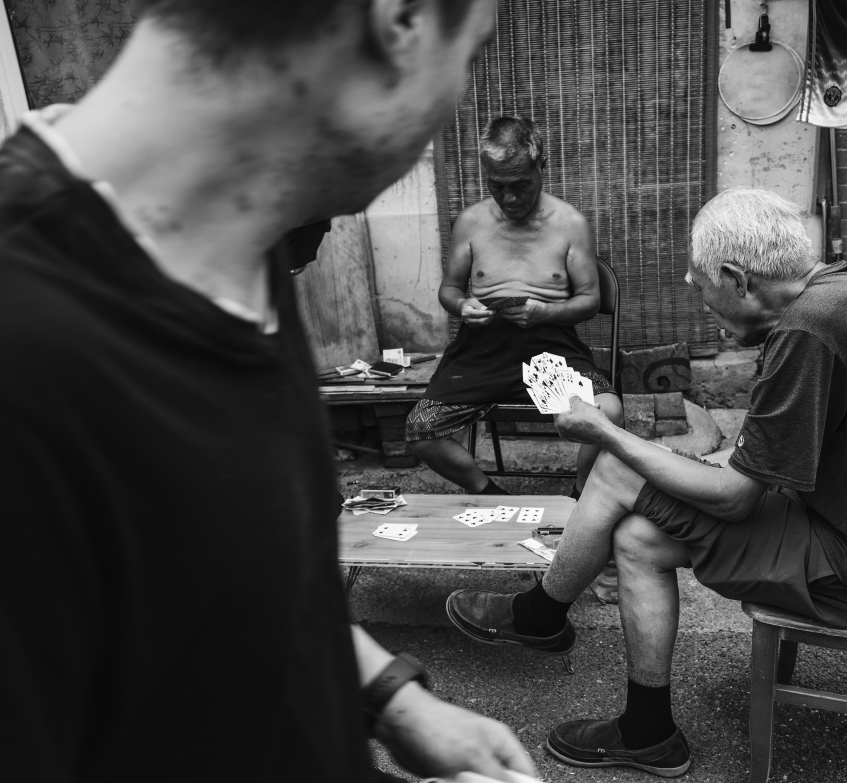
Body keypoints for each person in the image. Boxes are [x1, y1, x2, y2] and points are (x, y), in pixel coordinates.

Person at [0, 1, 538, 781]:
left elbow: (246, 577)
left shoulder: (249, 233)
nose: (459, 94)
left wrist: (393, 701)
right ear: (402, 19)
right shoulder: (27, 351)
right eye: (474, 52)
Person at [446, 188, 847, 776]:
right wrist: (681, 456)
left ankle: (540, 616)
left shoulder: (809, 330)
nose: (702, 305)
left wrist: (604, 431)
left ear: (736, 279)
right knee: (637, 540)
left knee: (618, 464)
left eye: (701, 288)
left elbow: (735, 499)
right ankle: (647, 729)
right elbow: (759, 460)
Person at [406, 116, 623, 495]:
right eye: (497, 186)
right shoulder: (471, 222)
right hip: (480, 349)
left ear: (542, 166)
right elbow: (450, 289)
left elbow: (591, 301)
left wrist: (546, 312)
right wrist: (463, 307)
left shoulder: (571, 224)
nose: (509, 198)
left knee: (610, 413)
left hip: (552, 348)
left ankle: (579, 498)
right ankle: (489, 494)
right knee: (421, 429)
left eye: (520, 185)